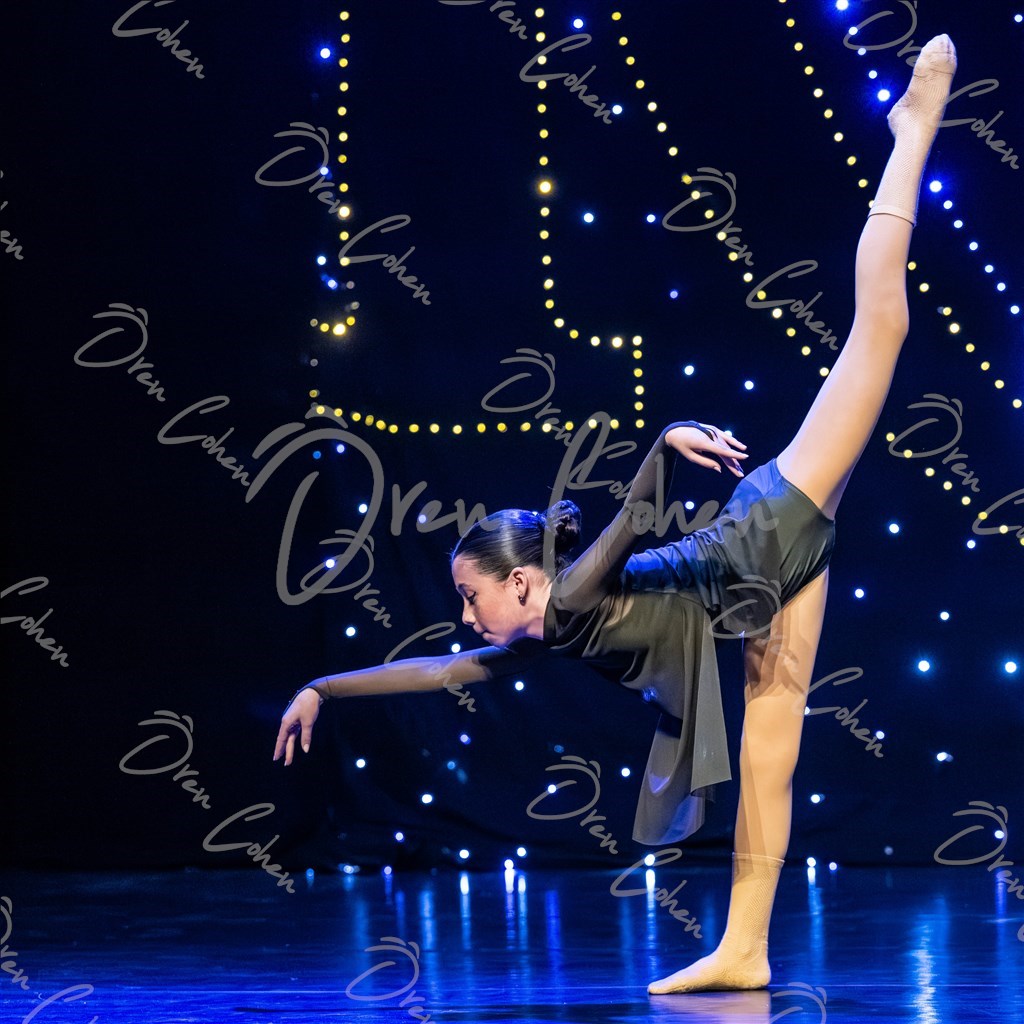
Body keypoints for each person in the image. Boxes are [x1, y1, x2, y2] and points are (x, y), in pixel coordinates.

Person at [274, 34, 958, 994]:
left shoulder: (569, 599)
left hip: (766, 530)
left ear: (521, 581)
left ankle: (911, 130)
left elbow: (629, 522)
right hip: (762, 590)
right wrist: (324, 686)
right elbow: (433, 672)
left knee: (880, 326)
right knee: (769, 760)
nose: (466, 617)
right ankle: (745, 949)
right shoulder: (540, 633)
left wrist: (664, 440)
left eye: (472, 596)